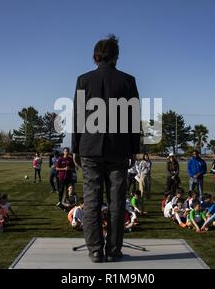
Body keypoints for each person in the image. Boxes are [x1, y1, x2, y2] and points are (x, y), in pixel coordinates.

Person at [72, 35, 140, 263]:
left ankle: (94, 250)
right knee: (117, 202)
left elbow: (77, 118)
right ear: (116, 56)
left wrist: (75, 149)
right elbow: (133, 119)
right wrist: (133, 149)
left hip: (90, 148)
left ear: (96, 56)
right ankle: (113, 250)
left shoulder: (83, 80)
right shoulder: (128, 81)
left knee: (91, 202)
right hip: (118, 149)